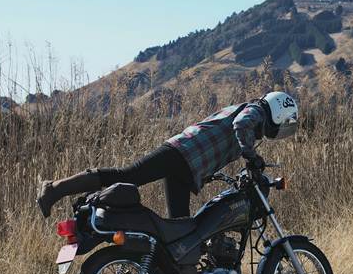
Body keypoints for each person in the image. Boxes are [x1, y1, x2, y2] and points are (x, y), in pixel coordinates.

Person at [36, 91, 299, 219]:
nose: (282, 129)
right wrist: (251, 157)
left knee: (182, 229)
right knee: (129, 175)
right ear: (277, 112)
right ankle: (55, 188)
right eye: (285, 122)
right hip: (179, 154)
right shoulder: (255, 112)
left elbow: (217, 144)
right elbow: (239, 126)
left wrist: (210, 176)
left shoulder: (252, 116)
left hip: (185, 168)